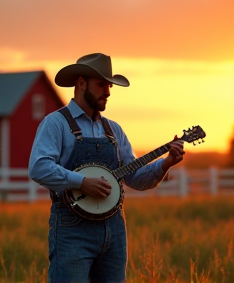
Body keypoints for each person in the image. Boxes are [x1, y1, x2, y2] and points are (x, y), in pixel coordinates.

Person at [28, 53, 185, 283]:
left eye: (109, 85)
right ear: (81, 83)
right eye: (102, 84)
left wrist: (166, 164)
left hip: (114, 230)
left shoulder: (114, 130)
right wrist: (82, 182)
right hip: (72, 232)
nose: (108, 91)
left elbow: (135, 179)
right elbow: (39, 168)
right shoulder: (56, 123)